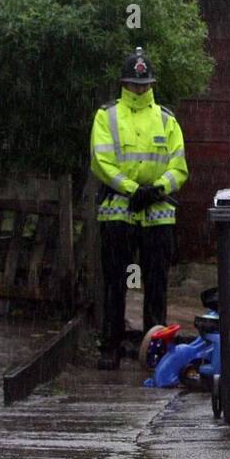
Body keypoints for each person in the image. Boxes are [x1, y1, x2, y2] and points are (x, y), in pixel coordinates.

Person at [89, 48, 189, 370]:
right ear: (123, 83)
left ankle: (155, 348)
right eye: (133, 84)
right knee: (115, 283)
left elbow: (179, 166)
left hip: (158, 212)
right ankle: (111, 346)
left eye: (143, 84)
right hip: (119, 210)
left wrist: (157, 189)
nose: (139, 89)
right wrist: (133, 190)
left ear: (151, 84)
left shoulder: (166, 119)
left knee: (157, 284)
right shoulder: (107, 116)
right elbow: (102, 162)